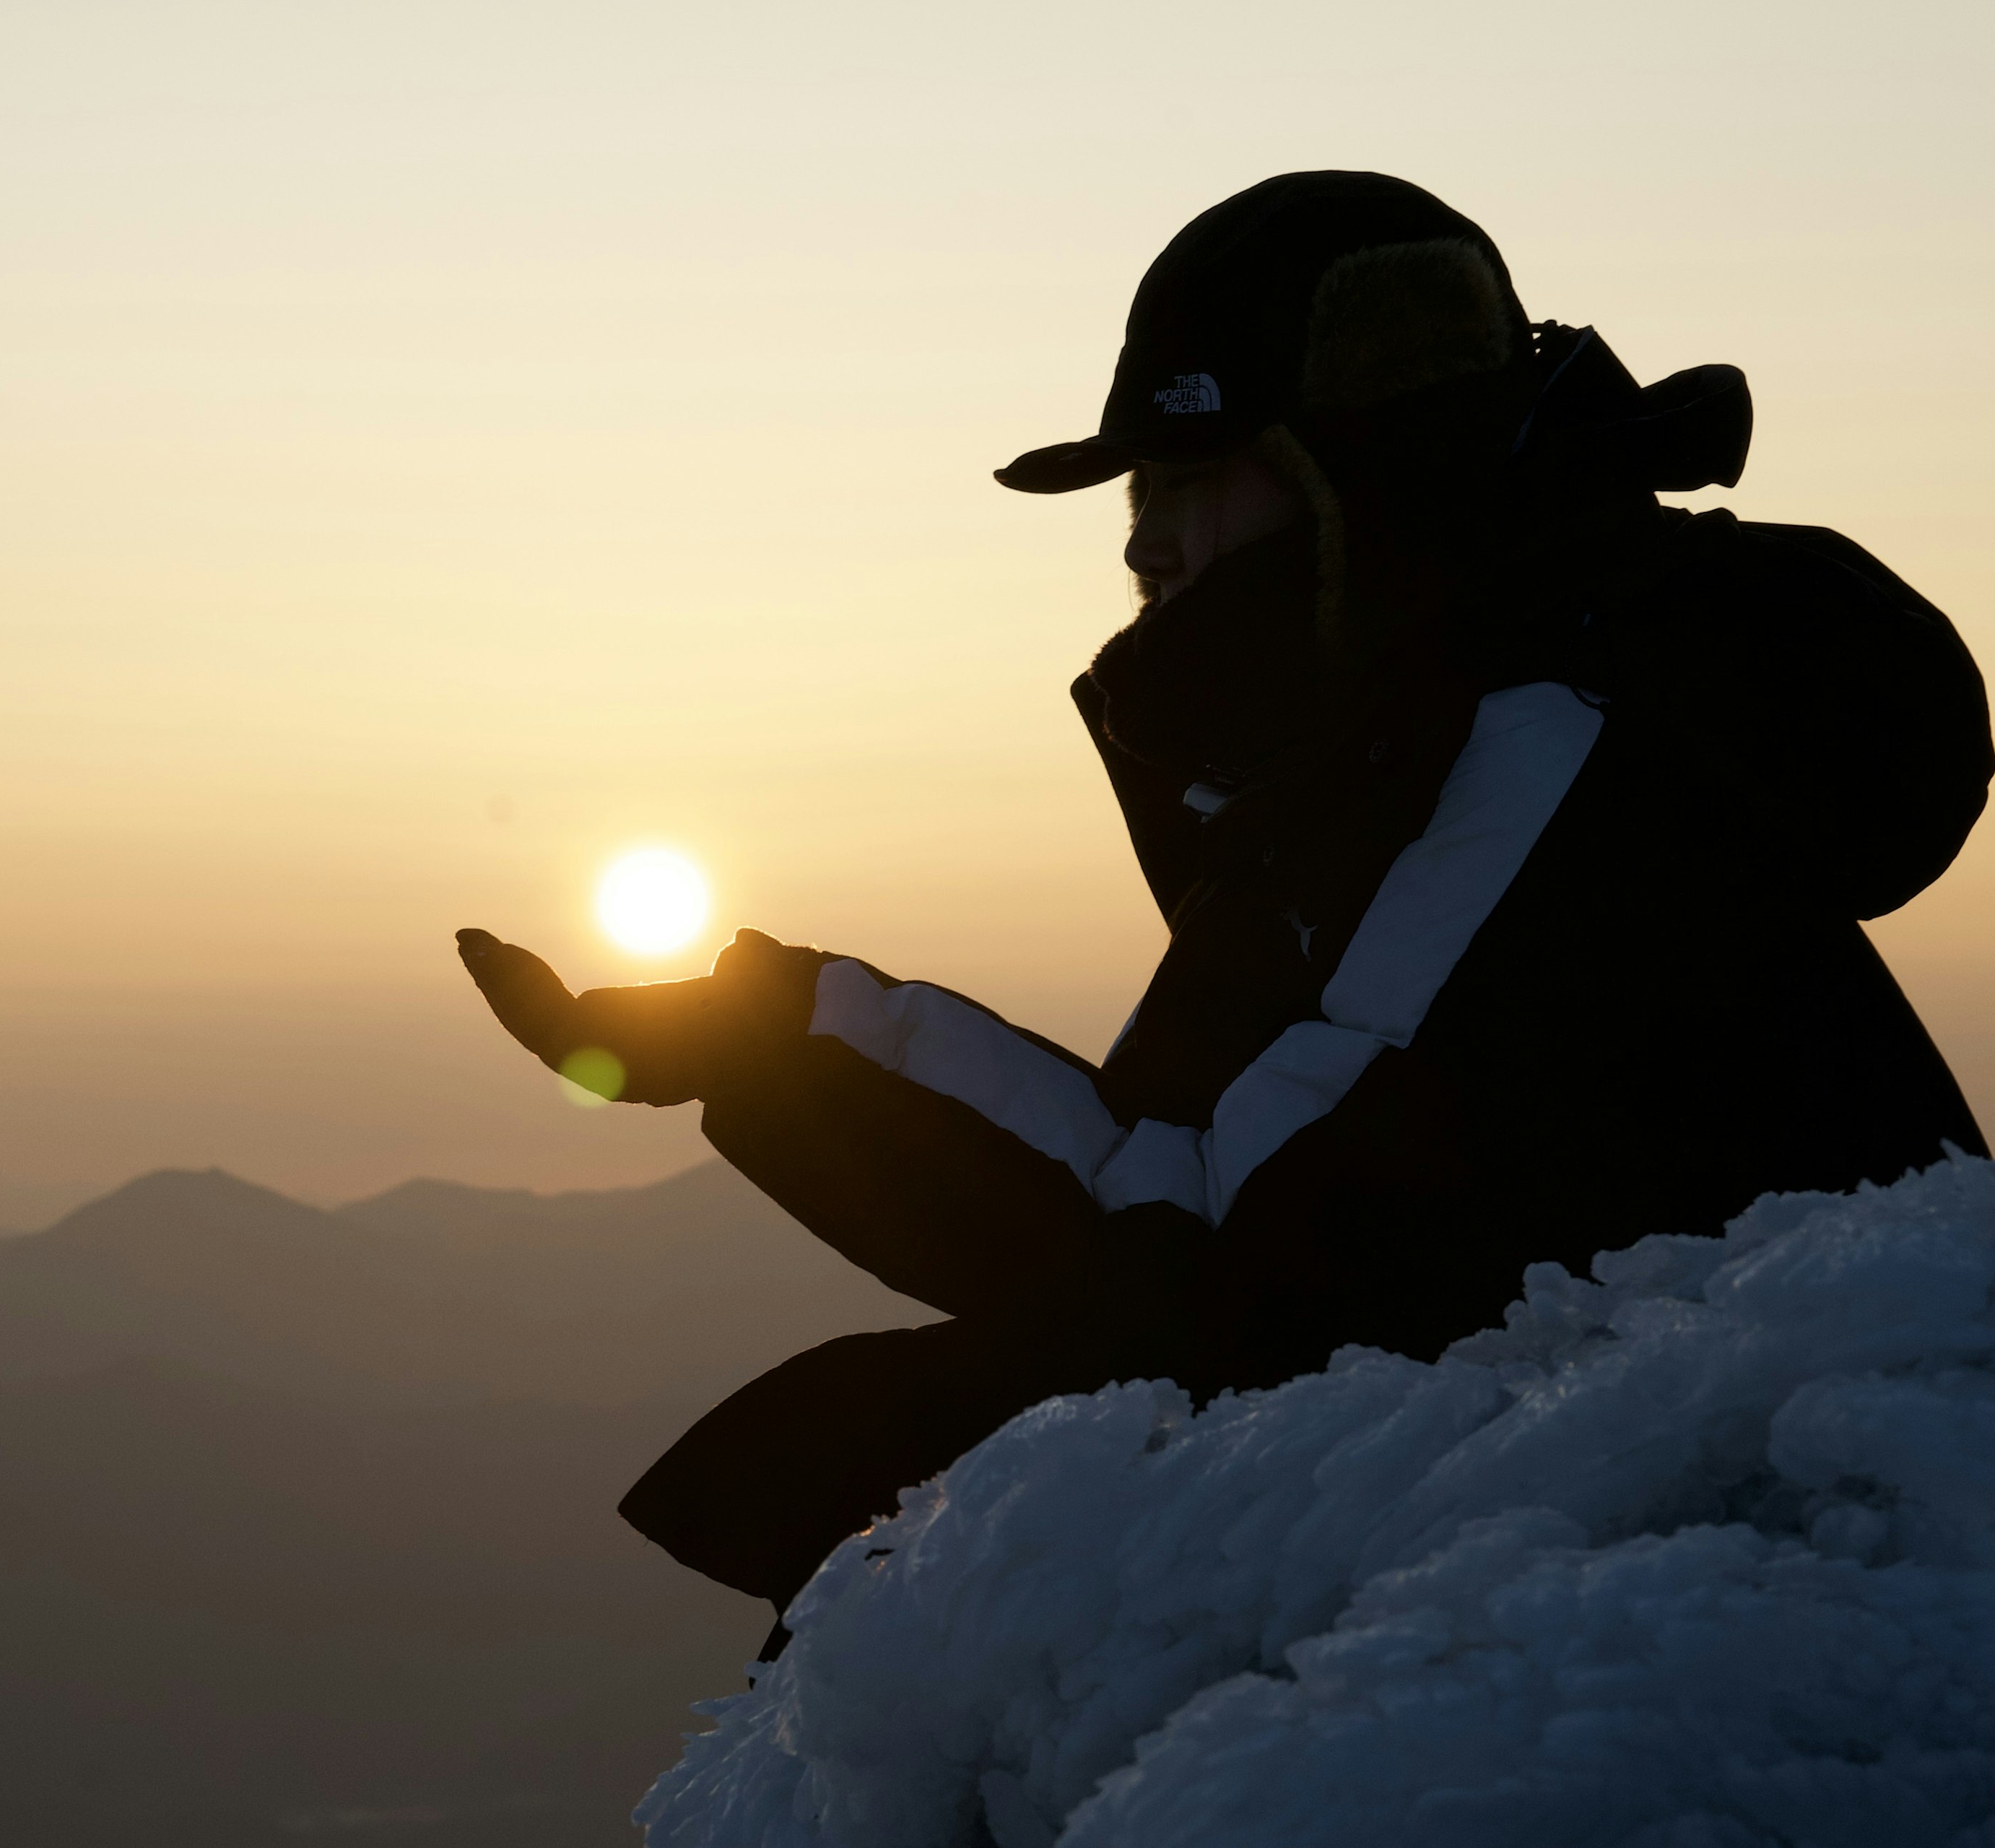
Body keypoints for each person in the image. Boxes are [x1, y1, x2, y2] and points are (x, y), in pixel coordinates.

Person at [458, 170, 1991, 1639]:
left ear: (1358, 479)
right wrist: (762, 1033)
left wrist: (774, 1060)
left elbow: (1212, 1247)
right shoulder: (1389, 775)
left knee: (942, 1474)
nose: (1143, 537)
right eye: (1137, 487)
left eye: (1189, 478)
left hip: (1785, 1600)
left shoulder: (1544, 755)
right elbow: (1187, 1171)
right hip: (1651, 1562)